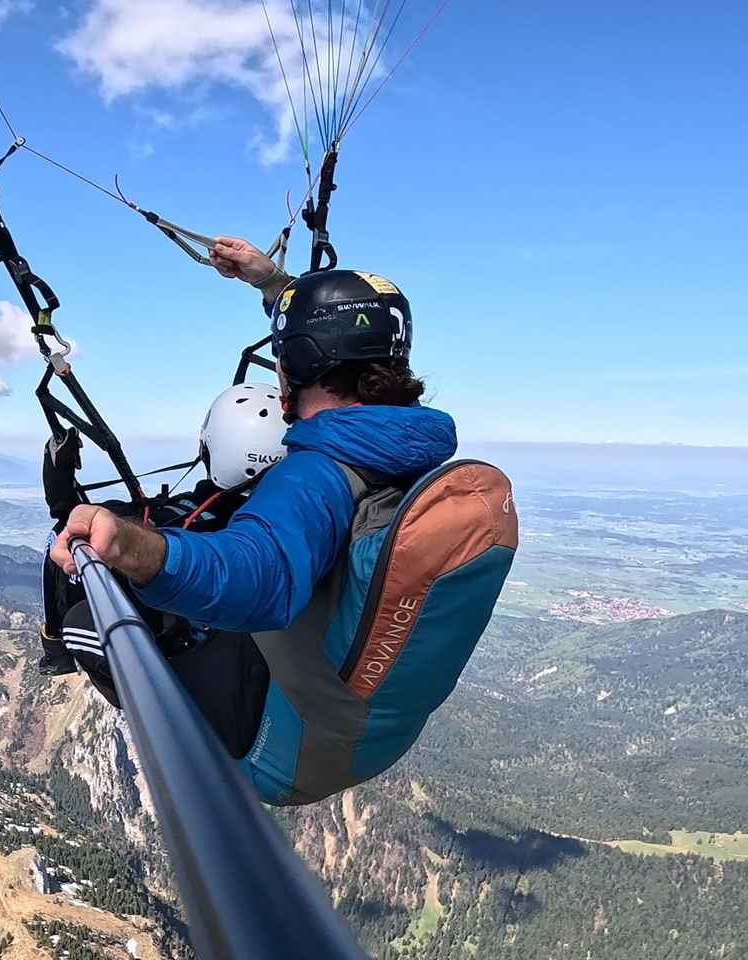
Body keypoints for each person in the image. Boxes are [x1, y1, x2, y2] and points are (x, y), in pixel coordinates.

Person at [46, 241, 517, 805]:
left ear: (299, 366)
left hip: (282, 752)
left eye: (284, 358)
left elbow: (254, 575)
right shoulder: (411, 449)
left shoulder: (315, 477)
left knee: (84, 619)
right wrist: (273, 283)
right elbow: (344, 329)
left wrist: (130, 546)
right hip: (365, 733)